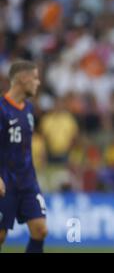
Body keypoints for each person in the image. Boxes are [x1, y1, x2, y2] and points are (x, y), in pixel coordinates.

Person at [0, 60, 48, 252]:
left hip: (27, 181)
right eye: (35, 78)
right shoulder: (1, 109)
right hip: (5, 181)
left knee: (40, 230)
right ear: (23, 78)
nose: (38, 82)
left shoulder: (29, 109)